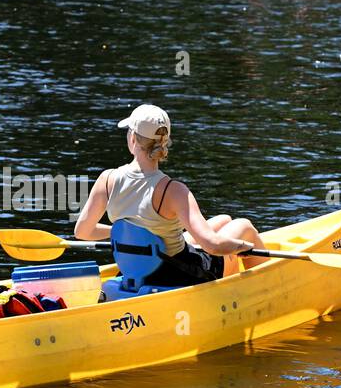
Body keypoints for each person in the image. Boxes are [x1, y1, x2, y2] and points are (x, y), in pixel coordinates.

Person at [73, 105, 269, 285]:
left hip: (139, 270)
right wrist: (243, 246)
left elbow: (82, 232)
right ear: (165, 143)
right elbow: (213, 245)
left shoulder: (107, 180)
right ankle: (267, 289)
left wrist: (126, 234)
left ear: (132, 139)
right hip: (179, 272)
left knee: (223, 220)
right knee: (243, 226)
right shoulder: (173, 190)